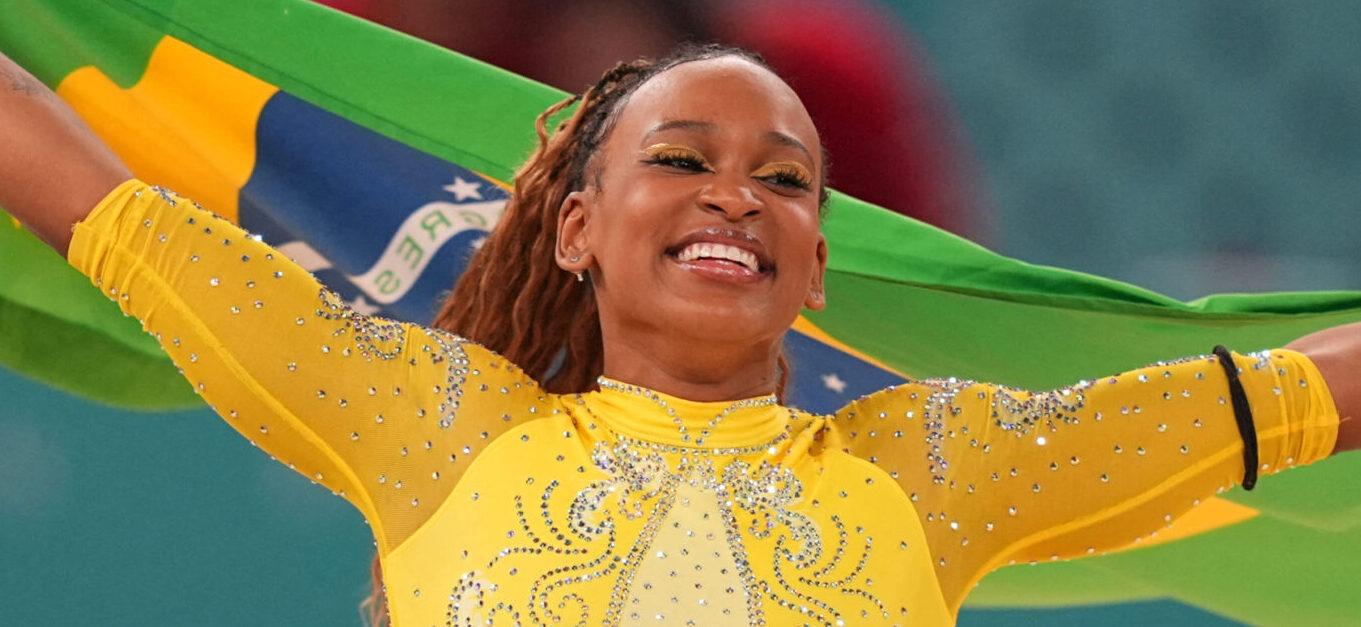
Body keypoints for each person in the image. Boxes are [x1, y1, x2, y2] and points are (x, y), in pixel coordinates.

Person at [1, 43, 1357, 626]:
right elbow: (111, 217)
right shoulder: (432, 423)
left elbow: (1281, 397)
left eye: (782, 178)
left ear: (813, 266)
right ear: (578, 228)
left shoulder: (929, 470)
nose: (733, 194)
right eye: (682, 159)